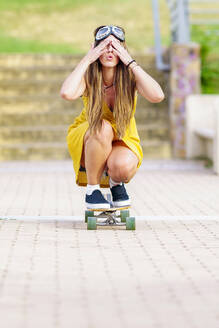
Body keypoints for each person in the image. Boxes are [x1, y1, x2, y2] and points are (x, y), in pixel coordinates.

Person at [60, 25, 165, 209]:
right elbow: (67, 93)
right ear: (96, 49)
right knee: (103, 127)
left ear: (123, 50)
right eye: (104, 46)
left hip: (122, 136)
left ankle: (116, 184)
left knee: (122, 167)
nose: (109, 51)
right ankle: (92, 190)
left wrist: (130, 61)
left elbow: (157, 96)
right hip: (91, 135)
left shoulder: (130, 78)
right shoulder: (89, 77)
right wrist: (87, 59)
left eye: (115, 46)